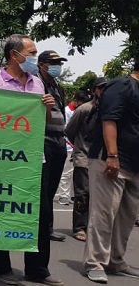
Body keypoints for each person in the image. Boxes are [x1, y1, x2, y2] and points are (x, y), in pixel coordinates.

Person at [0, 35, 63, 286]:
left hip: (34, 158)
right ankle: (3, 267)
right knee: (3, 211)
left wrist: (48, 108)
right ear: (14, 55)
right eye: (30, 52)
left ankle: (37, 269)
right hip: (4, 159)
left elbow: (45, 123)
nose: (33, 57)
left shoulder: (38, 84)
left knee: (40, 213)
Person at [82, 62, 139, 283]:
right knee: (103, 215)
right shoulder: (122, 85)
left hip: (134, 165)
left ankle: (115, 260)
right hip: (111, 161)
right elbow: (109, 120)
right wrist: (112, 155)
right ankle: (95, 263)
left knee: (126, 217)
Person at [65, 78, 107, 243]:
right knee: (82, 193)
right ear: (93, 90)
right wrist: (79, 147)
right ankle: (80, 227)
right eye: (100, 88)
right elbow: (69, 131)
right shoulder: (84, 109)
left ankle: (93, 226)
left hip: (102, 159)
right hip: (83, 157)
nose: (103, 92)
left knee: (99, 196)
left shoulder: (109, 109)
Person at [36, 50, 71, 243]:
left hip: (59, 141)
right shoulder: (35, 84)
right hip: (44, 139)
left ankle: (48, 229)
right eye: (53, 62)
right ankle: (41, 229)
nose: (58, 66)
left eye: (59, 62)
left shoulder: (57, 86)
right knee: (43, 188)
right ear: (42, 64)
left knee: (52, 189)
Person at [57, 91, 91, 206]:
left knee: (75, 174)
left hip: (77, 146)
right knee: (66, 173)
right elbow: (66, 130)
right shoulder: (66, 111)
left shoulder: (82, 111)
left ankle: (72, 195)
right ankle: (63, 195)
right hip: (68, 146)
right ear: (75, 101)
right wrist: (72, 143)